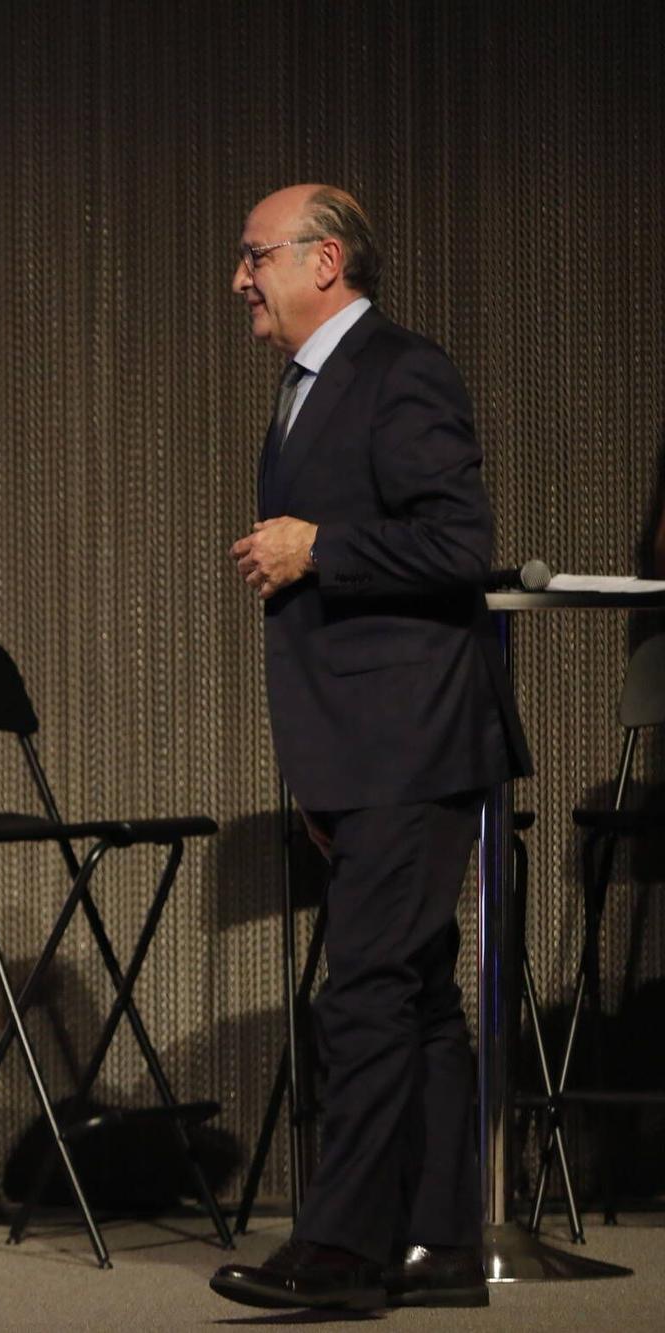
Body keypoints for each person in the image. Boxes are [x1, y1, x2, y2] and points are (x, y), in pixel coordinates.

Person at [210, 185, 530, 1312]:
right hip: (358, 747)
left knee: (363, 991)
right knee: (414, 996)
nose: (238, 280)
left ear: (322, 261)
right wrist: (315, 772)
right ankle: (437, 1242)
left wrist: (319, 544)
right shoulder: (305, 389)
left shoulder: (399, 370)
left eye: (254, 258)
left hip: (411, 737)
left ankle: (339, 1250)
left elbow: (460, 541)